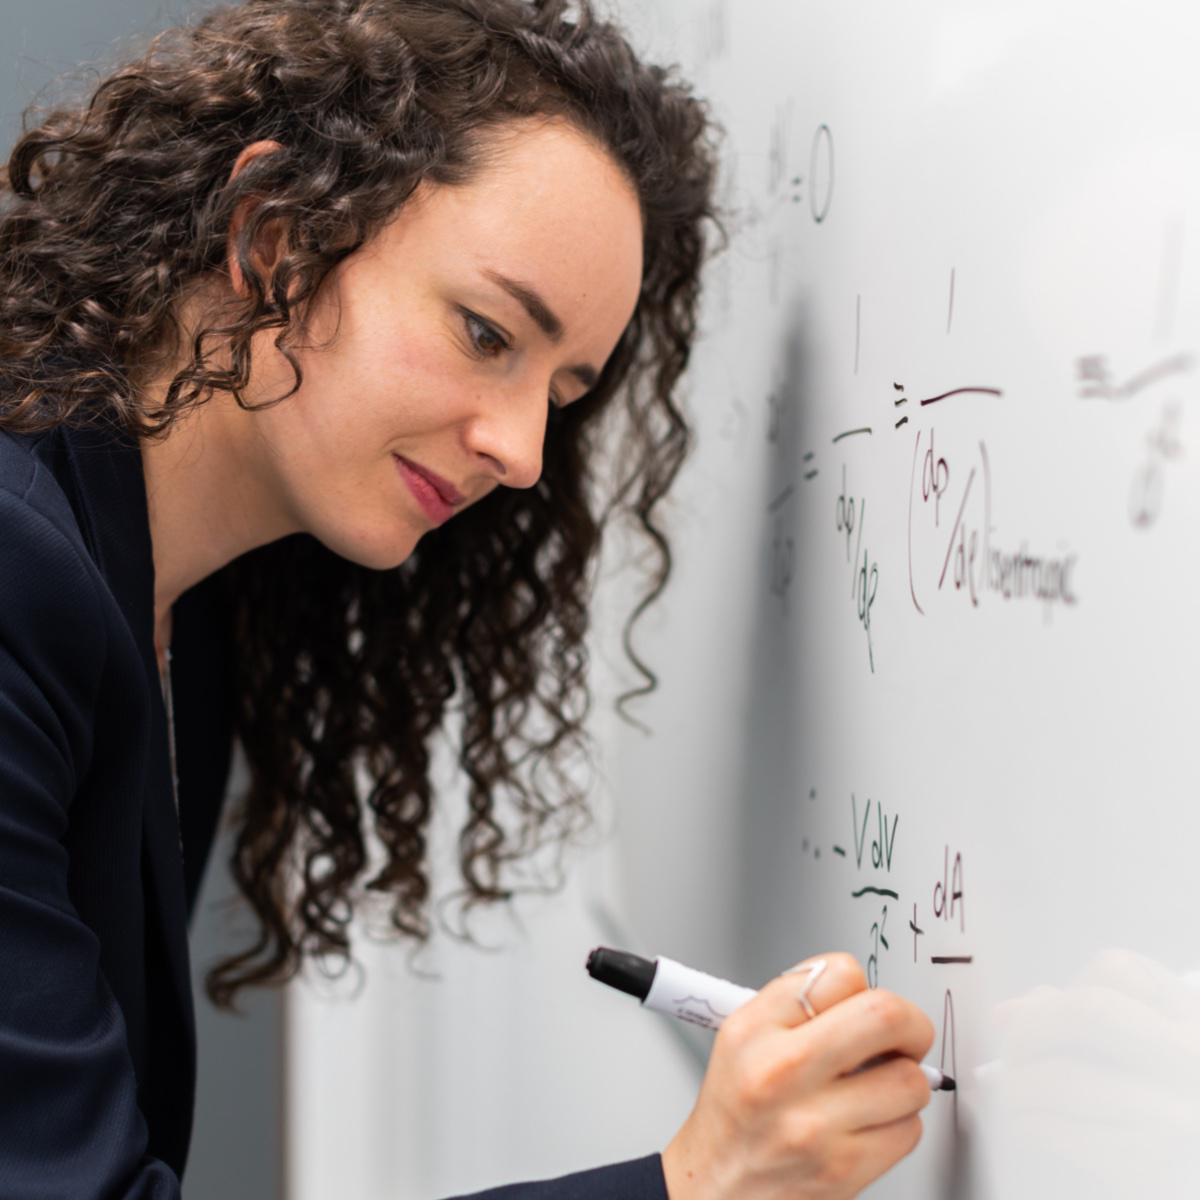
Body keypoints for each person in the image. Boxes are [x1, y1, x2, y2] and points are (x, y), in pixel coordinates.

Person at [0, 0, 935, 1196]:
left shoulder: (188, 603)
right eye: (488, 332)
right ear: (274, 236)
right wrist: (699, 1181)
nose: (526, 452)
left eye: (567, 389)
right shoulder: (23, 584)